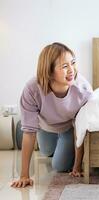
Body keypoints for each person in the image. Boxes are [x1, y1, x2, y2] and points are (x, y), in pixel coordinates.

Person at [11, 42, 93, 188]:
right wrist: (24, 176)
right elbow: (30, 133)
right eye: (64, 66)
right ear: (49, 72)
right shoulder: (32, 89)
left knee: (60, 165)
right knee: (47, 151)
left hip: (69, 128)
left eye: (73, 63)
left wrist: (77, 167)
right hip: (44, 126)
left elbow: (81, 129)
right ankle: (28, 128)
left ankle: (61, 144)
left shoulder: (83, 90)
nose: (72, 70)